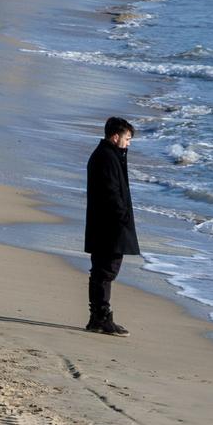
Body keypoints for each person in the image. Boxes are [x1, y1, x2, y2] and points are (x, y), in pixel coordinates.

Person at [83, 116, 139, 335]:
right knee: (106, 270)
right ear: (115, 137)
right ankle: (101, 317)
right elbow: (111, 192)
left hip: (105, 223)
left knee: (103, 270)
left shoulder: (110, 155)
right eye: (127, 138)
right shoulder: (106, 157)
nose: (128, 143)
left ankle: (98, 316)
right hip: (109, 225)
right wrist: (122, 216)